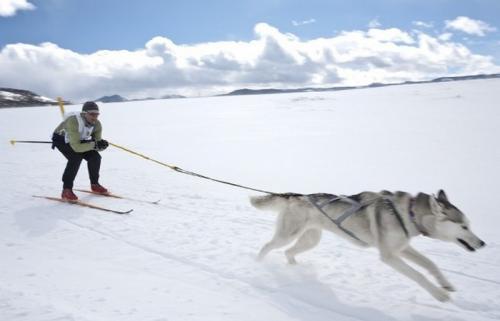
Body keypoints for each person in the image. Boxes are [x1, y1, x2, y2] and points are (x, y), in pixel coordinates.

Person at [52, 101, 109, 201]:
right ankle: (66, 190)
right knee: (76, 157)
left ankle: (95, 184)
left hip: (77, 139)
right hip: (61, 139)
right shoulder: (73, 121)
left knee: (95, 157)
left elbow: (95, 144)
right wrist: (94, 144)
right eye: (92, 114)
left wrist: (101, 145)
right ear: (84, 113)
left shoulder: (97, 124)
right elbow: (77, 148)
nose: (95, 117)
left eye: (97, 114)